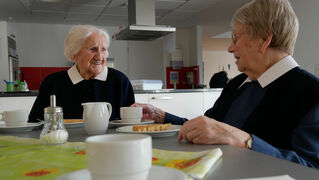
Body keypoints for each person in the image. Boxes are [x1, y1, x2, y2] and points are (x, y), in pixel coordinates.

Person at [132, 0, 319, 169]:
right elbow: (210, 128)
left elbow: (311, 168)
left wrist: (246, 140)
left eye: (236, 37)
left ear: (264, 40)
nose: (230, 47)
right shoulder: (237, 83)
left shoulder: (312, 93)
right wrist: (163, 117)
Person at [29, 25, 135, 122]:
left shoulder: (120, 81)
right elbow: (36, 122)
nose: (99, 56)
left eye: (103, 50)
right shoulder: (52, 83)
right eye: (93, 49)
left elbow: (130, 124)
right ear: (74, 53)